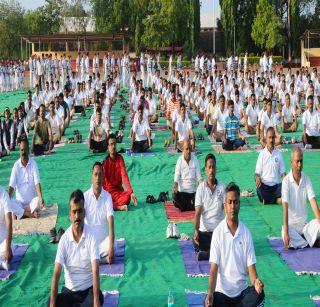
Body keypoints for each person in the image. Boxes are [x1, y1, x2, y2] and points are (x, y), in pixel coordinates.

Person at [205, 182, 265, 307]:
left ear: (239, 204)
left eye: (236, 202)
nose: (233, 206)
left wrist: (256, 282)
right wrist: (210, 293)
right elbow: (213, 270)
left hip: (241, 294)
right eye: (230, 202)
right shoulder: (218, 233)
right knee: (210, 300)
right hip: (222, 295)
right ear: (225, 205)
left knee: (259, 294)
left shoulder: (246, 233)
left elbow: (252, 270)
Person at [48, 189, 104, 307]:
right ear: (69, 215)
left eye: (80, 211)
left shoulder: (91, 236)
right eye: (74, 212)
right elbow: (56, 274)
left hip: (88, 291)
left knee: (98, 296)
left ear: (84, 213)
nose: (77, 216)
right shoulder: (64, 240)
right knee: (51, 302)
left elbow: (95, 271)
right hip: (69, 293)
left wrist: (95, 303)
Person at [282, 148, 320, 249]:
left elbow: (313, 202)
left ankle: (303, 243)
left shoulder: (306, 179)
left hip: (305, 227)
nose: (299, 165)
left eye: (301, 161)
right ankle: (308, 243)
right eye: (297, 161)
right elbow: (285, 207)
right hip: (292, 227)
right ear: (291, 162)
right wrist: (286, 232)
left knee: (318, 222)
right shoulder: (286, 182)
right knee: (284, 231)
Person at [194, 154, 225, 261]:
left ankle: (207, 254)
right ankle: (215, 253)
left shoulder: (221, 187)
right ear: (205, 169)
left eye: (213, 167)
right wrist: (196, 230)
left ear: (216, 169)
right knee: (196, 241)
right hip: (204, 232)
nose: (211, 170)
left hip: (218, 232)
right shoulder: (200, 188)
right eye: (209, 167)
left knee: (227, 241)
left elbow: (226, 210)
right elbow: (197, 213)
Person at [84, 162, 115, 264]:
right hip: (88, 244)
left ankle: (94, 260)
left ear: (103, 177)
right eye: (95, 174)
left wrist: (110, 248)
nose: (98, 178)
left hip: (102, 245)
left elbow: (111, 223)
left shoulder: (107, 197)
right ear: (92, 176)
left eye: (100, 174)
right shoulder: (85, 197)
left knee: (113, 244)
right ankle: (99, 260)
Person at [9, 138, 44, 219]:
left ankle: (21, 213)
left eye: (25, 150)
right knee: (9, 202)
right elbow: (11, 186)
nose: (23, 152)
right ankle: (28, 214)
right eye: (21, 150)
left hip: (31, 203)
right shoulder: (16, 166)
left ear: (28, 150)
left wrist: (40, 197)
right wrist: (7, 199)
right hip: (19, 203)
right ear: (19, 151)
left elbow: (37, 183)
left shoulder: (33, 164)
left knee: (38, 201)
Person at [102, 134, 137, 211]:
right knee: (102, 201)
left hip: (118, 192)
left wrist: (131, 192)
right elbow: (102, 182)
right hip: (108, 193)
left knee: (127, 197)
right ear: (108, 147)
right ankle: (118, 207)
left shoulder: (120, 159)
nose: (113, 146)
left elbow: (124, 176)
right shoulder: (105, 163)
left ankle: (112, 205)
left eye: (114, 144)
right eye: (111, 144)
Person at [255, 127, 286, 204]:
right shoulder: (262, 154)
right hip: (265, 186)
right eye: (269, 137)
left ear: (275, 138)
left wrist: (286, 179)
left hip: (276, 187)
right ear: (266, 139)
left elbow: (283, 173)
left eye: (273, 137)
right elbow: (256, 173)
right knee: (259, 189)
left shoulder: (278, 154)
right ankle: (276, 200)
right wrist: (257, 178)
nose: (271, 140)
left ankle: (267, 200)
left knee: (287, 187)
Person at [172, 139, 202, 212]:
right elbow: (176, 179)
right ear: (183, 150)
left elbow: (199, 179)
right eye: (187, 149)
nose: (188, 151)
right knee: (174, 196)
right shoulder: (179, 161)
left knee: (201, 197)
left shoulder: (195, 160)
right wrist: (175, 187)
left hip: (193, 194)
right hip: (182, 193)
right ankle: (190, 206)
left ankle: (184, 206)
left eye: (190, 148)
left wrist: (203, 187)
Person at [0, 186, 13, 270]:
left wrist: (8, 248)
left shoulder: (4, 195)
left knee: (5, 249)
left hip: (3, 240)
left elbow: (9, 223)